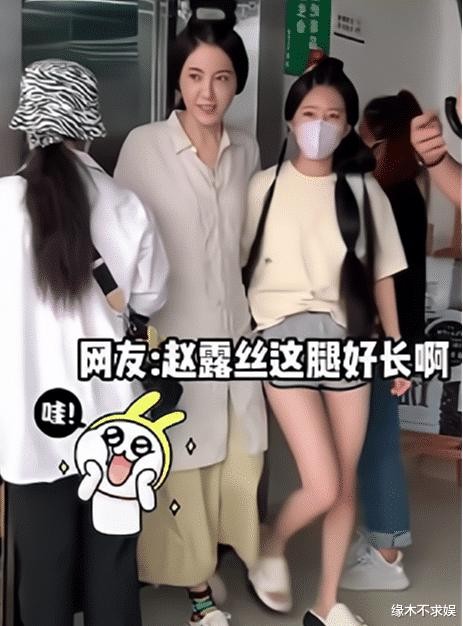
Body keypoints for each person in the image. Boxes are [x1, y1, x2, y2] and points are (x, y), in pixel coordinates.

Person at [241, 55, 411, 626]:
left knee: (344, 482)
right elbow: (233, 267)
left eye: (333, 115)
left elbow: (383, 274)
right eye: (310, 113)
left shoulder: (364, 191)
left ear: (348, 124)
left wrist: (397, 350)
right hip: (281, 338)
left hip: (349, 339)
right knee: (323, 482)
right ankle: (272, 541)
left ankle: (327, 602)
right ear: (291, 120)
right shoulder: (262, 187)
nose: (320, 124)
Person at [0, 59, 169, 626]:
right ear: (90, 127)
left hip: (31, 427)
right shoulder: (126, 205)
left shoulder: (1, 205)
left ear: (28, 126)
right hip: (114, 425)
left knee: (42, 570)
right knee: (113, 569)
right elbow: (151, 299)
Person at [114, 4, 267, 625]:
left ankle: (219, 560)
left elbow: (247, 246)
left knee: (238, 458)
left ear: (237, 83)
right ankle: (198, 589)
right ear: (178, 79)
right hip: (172, 339)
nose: (208, 92)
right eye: (196, 76)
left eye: (222, 77)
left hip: (235, 334)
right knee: (181, 467)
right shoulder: (145, 145)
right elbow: (120, 243)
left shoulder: (246, 149)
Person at [340, 90, 428, 591]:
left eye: (359, 131)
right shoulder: (404, 188)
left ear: (376, 137)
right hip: (395, 334)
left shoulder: (387, 194)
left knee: (376, 442)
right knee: (377, 439)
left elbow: (380, 276)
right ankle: (381, 538)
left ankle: (386, 550)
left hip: (380, 337)